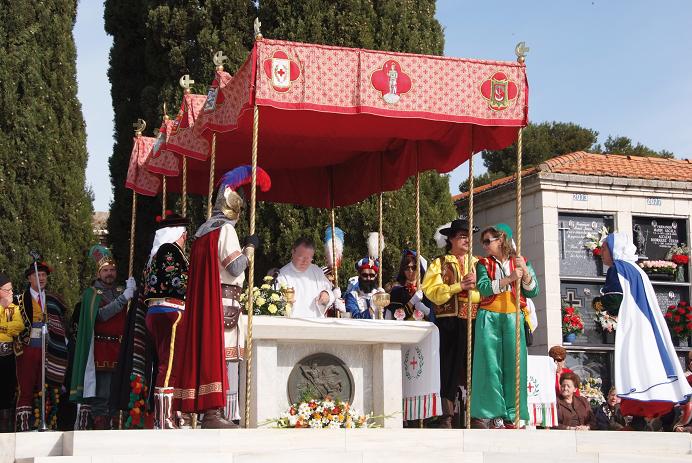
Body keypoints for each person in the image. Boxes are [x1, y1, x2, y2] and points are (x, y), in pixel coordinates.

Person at [173, 165, 268, 429]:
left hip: (209, 301)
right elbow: (235, 267)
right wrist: (249, 248)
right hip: (224, 302)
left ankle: (208, 412)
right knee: (227, 358)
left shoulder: (203, 231)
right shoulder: (225, 230)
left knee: (214, 356)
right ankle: (219, 414)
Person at [596, 232, 692, 430]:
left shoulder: (618, 269)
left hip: (634, 326)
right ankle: (648, 416)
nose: (601, 253)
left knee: (632, 369)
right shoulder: (637, 270)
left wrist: (598, 303)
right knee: (645, 369)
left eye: (604, 248)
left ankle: (639, 419)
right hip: (646, 325)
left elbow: (615, 299)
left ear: (614, 249)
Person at [470, 223, 539, 429]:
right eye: (483, 242)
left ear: (501, 240)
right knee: (489, 366)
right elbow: (482, 288)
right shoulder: (483, 263)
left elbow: (533, 291)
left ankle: (512, 414)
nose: (484, 246)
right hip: (489, 317)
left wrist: (525, 272)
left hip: (513, 318)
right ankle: (490, 414)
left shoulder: (521, 261)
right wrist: (509, 278)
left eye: (487, 241)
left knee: (514, 365)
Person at [69, 247, 136, 429]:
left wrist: (133, 295)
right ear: (99, 273)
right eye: (105, 270)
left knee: (116, 393)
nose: (109, 273)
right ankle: (100, 430)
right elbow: (101, 315)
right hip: (101, 349)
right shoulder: (91, 294)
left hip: (119, 349)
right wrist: (124, 298)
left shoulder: (121, 290)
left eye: (112, 270)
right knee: (102, 394)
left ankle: (113, 429)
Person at [421, 219, 479, 428]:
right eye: (462, 236)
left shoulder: (478, 263)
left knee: (475, 368)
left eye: (468, 236)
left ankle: (477, 414)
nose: (466, 240)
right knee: (448, 368)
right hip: (449, 322)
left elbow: (487, 291)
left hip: (474, 320)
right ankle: (446, 415)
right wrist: (458, 286)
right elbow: (431, 291)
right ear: (451, 239)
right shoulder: (440, 263)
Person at [143, 213, 189, 429]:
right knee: (168, 366)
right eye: (185, 234)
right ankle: (164, 418)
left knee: (167, 363)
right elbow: (179, 281)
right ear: (180, 233)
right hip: (170, 311)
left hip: (156, 312)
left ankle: (171, 414)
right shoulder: (170, 250)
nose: (185, 239)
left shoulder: (153, 255)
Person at [15, 261, 69, 432]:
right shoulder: (20, 300)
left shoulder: (53, 299)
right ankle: (23, 426)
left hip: (50, 349)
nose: (42, 278)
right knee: (26, 385)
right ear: (30, 278)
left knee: (47, 387)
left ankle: (47, 423)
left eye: (44, 275)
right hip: (29, 348)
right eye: (38, 275)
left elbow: (61, 323)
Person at [277, 237, 335, 319]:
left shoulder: (317, 272)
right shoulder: (282, 275)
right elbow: (275, 302)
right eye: (302, 257)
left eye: (309, 258)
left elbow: (331, 292)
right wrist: (283, 302)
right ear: (293, 252)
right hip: (292, 323)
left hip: (316, 321)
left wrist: (327, 295)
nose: (305, 262)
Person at [0, 274, 23, 432]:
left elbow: (19, 325)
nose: (10, 293)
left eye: (11, 290)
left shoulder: (14, 308)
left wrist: (4, 328)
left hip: (7, 354)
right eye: (7, 290)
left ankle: (4, 429)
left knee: (7, 389)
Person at [385, 250, 433, 322]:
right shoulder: (396, 292)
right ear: (403, 270)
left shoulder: (428, 291)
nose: (410, 271)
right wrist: (412, 302)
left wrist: (424, 309)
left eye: (414, 268)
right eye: (407, 268)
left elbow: (435, 319)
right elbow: (389, 319)